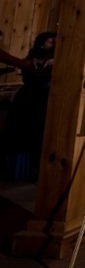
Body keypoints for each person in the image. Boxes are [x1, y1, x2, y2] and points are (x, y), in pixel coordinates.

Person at [2, 32, 56, 180]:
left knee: (38, 133)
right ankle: (17, 170)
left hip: (42, 100)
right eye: (51, 42)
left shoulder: (54, 60)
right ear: (42, 43)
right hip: (27, 100)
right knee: (19, 132)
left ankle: (34, 170)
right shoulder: (32, 58)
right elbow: (26, 68)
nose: (53, 45)